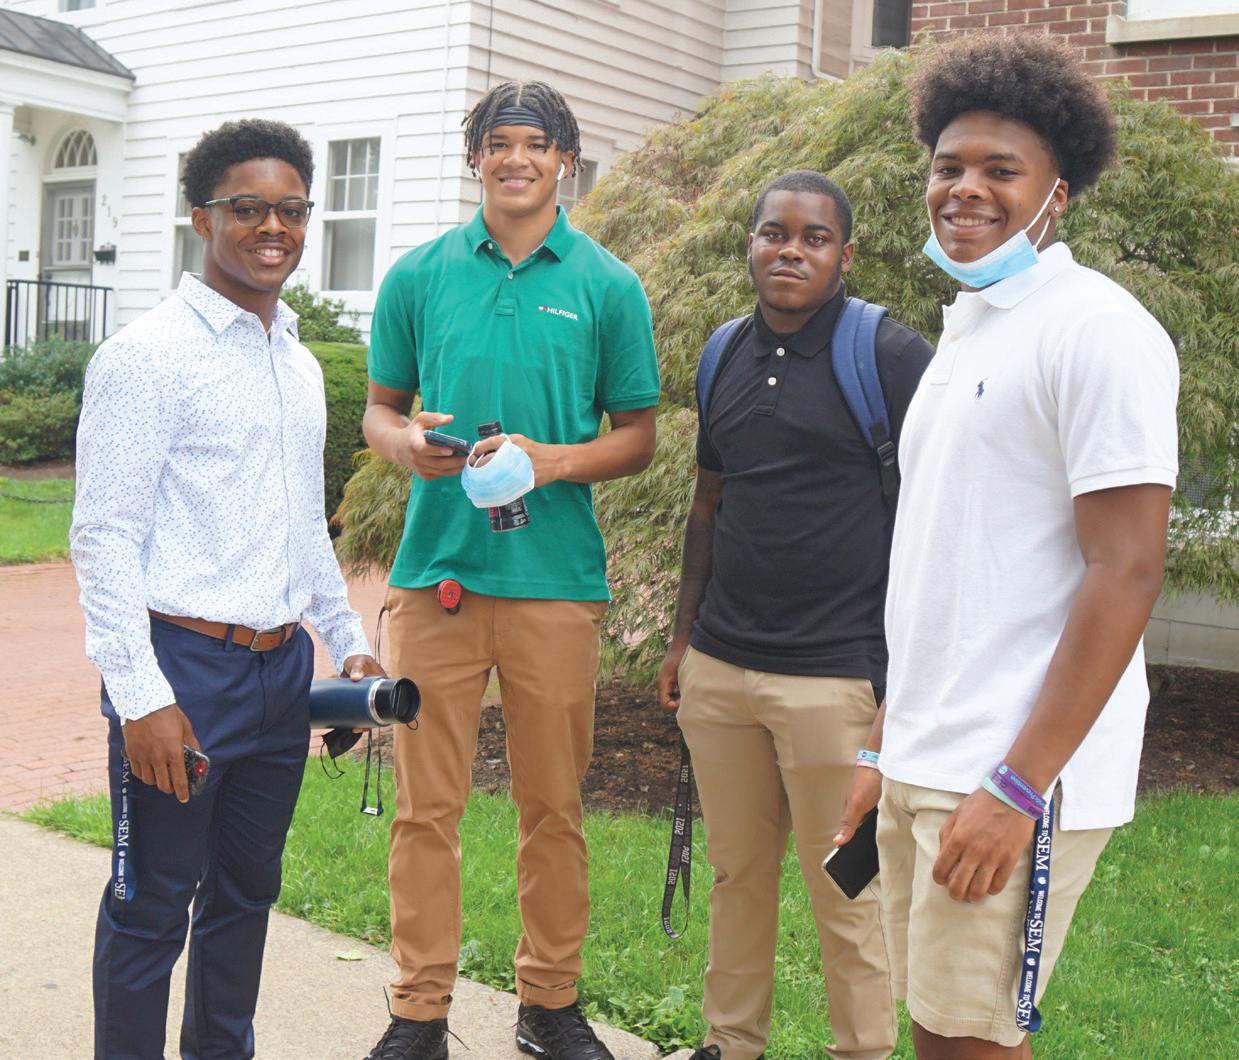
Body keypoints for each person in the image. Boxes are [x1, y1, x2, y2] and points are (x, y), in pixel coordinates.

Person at [833, 33, 1179, 1059]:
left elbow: (1128, 569)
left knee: (968, 1044)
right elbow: (945, 567)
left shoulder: (1096, 329)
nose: (965, 189)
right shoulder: (970, 329)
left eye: (1001, 170)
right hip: (929, 753)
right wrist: (885, 746)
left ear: (1055, 194)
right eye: (949, 166)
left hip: (1012, 768)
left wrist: (1020, 785)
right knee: (937, 1032)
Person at [71, 118, 382, 1059]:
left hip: (279, 674)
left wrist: (348, 641)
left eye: (291, 209)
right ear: (201, 217)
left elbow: (302, 526)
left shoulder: (296, 362)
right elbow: (102, 539)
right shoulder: (145, 356)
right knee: (150, 906)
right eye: (248, 208)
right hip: (183, 673)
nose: (273, 227)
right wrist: (140, 697)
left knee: (247, 895)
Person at [361, 80, 659, 1060]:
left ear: (565, 160)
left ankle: (548, 1006)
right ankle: (418, 1014)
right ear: (475, 158)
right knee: (425, 809)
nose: (517, 158)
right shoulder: (419, 276)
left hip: (555, 581)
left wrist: (550, 460)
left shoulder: (608, 286)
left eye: (537, 143)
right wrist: (404, 445)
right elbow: (379, 409)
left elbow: (639, 436)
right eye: (500, 141)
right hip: (435, 576)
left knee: (554, 808)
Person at [655, 170, 934, 1060]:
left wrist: (902, 675)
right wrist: (682, 638)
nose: (791, 250)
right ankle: (729, 1041)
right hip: (721, 667)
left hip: (836, 675)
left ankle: (862, 1050)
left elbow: (938, 514)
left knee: (846, 888)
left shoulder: (887, 354)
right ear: (750, 243)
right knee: (736, 874)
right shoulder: (723, 352)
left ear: (844, 256)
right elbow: (708, 503)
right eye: (774, 232)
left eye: (814, 238)